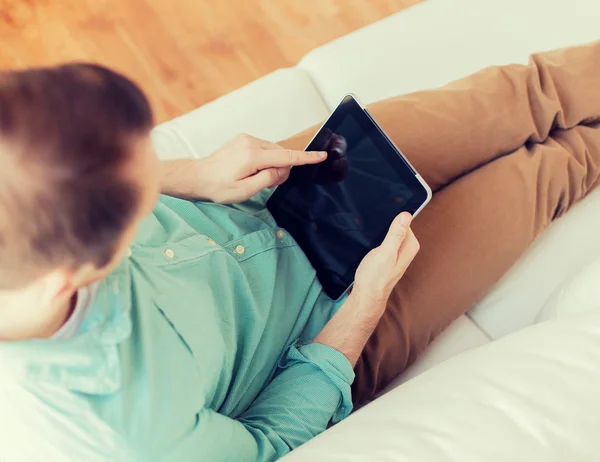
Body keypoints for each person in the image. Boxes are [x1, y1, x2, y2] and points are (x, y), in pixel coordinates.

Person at [0, 41, 599, 461]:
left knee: (522, 93)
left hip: (264, 194)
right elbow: (270, 444)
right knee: (553, 171)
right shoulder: (129, 431)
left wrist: (192, 173)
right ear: (73, 276)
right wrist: (366, 304)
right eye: (138, 195)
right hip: (331, 330)